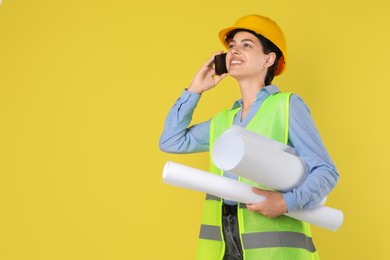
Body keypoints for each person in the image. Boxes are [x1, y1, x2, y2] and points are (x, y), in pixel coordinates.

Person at [159, 14, 339, 260]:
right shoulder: (223, 121)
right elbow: (171, 141)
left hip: (274, 250)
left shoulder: (286, 106)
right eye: (231, 46)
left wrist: (287, 202)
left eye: (246, 45)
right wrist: (194, 90)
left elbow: (326, 171)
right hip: (222, 246)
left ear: (269, 58)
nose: (234, 51)